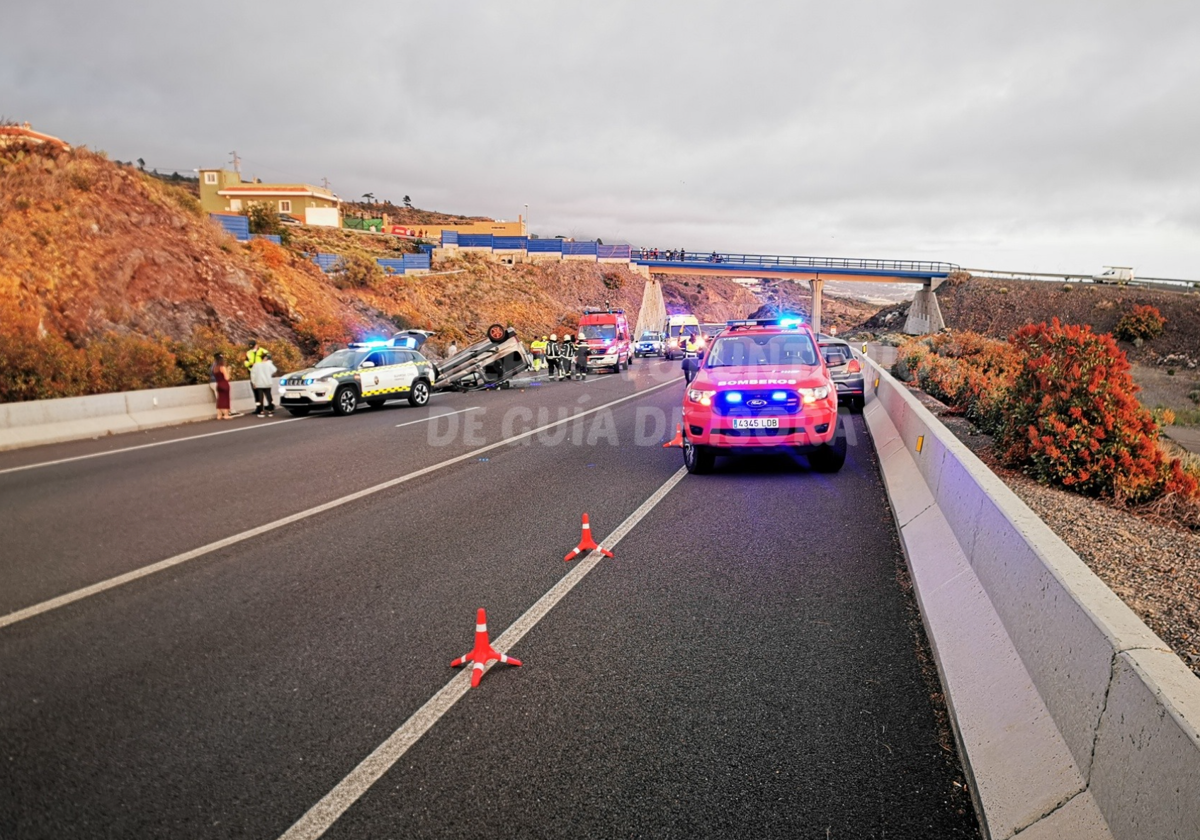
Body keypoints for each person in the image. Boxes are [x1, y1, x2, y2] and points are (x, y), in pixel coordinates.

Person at [250, 351, 278, 417]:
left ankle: (261, 411)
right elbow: (274, 370)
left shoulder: (256, 365)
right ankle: (270, 410)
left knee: (260, 397)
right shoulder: (269, 365)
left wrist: (253, 382)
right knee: (269, 396)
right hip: (267, 383)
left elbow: (253, 374)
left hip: (259, 383)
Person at [213, 352, 235, 420]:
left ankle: (219, 415)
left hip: (218, 384)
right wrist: (228, 370)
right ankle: (226, 414)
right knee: (226, 399)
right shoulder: (222, 367)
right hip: (224, 384)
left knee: (220, 399)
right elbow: (227, 377)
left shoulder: (215, 368)